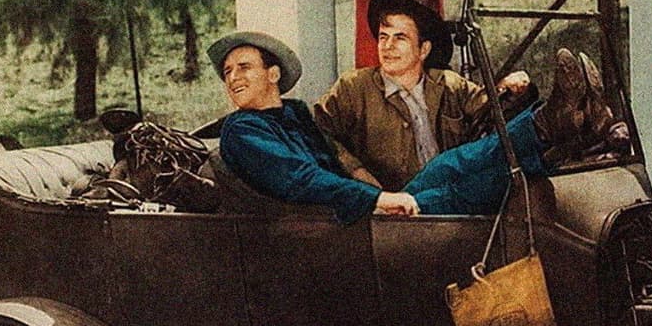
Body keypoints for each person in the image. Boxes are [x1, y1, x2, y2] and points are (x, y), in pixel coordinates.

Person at [209, 31, 604, 223]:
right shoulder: (243, 132)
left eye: (243, 67)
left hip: (352, 207)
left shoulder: (293, 114)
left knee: (450, 164)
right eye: (228, 72)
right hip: (332, 224)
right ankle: (560, 134)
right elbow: (301, 179)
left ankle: (563, 121)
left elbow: (336, 156)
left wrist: (369, 188)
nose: (233, 78)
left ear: (273, 73)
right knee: (461, 191)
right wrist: (376, 199)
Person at [313, 0, 533, 191]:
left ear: (424, 49)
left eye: (400, 38)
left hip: (448, 200)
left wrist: (510, 87)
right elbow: (316, 133)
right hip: (389, 207)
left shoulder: (449, 85)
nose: (387, 46)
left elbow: (490, 109)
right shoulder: (353, 88)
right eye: (383, 37)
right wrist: (357, 173)